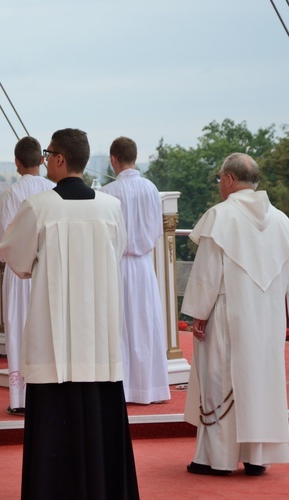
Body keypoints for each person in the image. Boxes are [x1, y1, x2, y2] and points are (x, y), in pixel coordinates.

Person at [0, 128, 139, 499]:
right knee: (100, 422)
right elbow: (119, 250)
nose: (45, 160)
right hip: (99, 340)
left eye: (48, 154)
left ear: (60, 158)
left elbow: (16, 259)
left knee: (54, 434)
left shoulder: (40, 207)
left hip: (54, 341)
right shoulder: (111, 209)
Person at [182, 153, 289, 477]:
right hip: (267, 317)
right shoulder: (281, 220)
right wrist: (282, 313)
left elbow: (207, 272)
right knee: (260, 381)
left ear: (230, 180)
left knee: (220, 381)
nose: (219, 184)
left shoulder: (220, 216)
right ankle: (256, 457)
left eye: (220, 178)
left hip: (225, 311)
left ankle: (216, 459)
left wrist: (198, 314)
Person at [102, 136, 170, 405]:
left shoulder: (108, 192)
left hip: (119, 264)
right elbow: (156, 229)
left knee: (121, 325)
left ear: (113, 160)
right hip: (144, 265)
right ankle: (150, 387)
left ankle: (126, 387)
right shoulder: (151, 188)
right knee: (145, 323)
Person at [0, 137, 54, 416]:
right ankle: (51, 393)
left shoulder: (11, 194)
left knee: (19, 331)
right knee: (50, 330)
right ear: (42, 160)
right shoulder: (55, 190)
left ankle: (21, 398)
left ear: (16, 162)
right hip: (50, 271)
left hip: (19, 274)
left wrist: (11, 260)